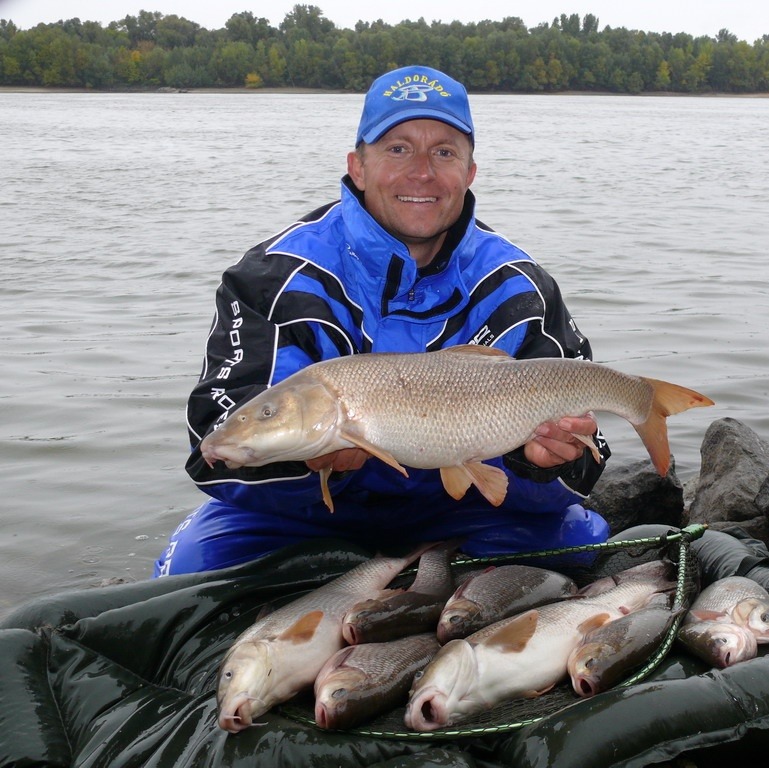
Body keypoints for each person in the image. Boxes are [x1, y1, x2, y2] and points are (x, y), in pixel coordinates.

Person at [154, 65, 611, 577]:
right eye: (397, 149)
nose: (422, 172)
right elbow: (213, 446)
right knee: (188, 576)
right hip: (308, 514)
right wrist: (311, 468)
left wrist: (544, 461)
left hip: (469, 505)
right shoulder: (275, 277)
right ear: (358, 166)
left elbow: (586, 463)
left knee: (582, 545)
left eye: (444, 152)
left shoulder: (517, 284)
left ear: (469, 172)